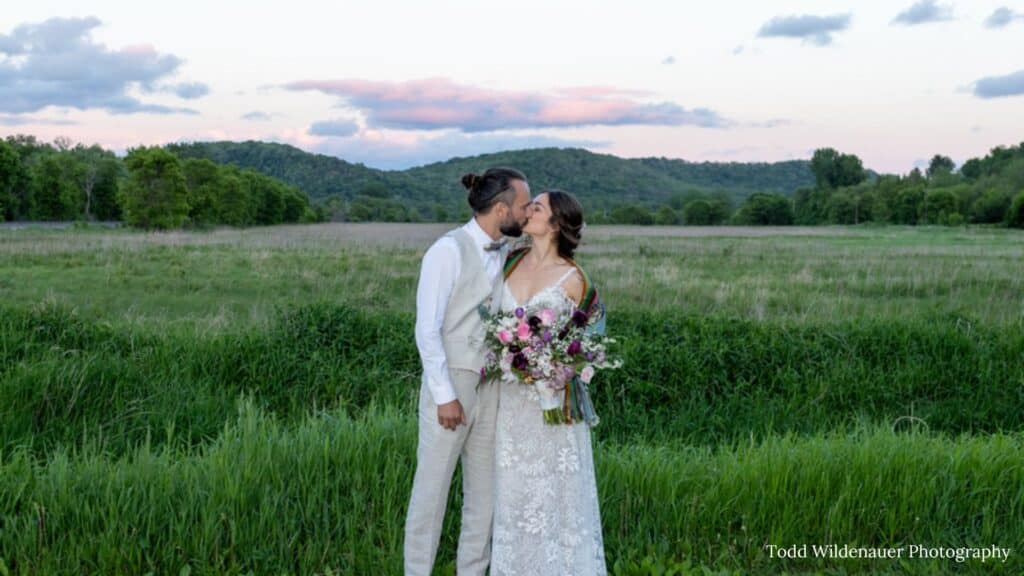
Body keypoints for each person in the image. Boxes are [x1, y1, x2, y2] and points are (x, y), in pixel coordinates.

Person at [404, 167, 532, 576]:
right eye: (523, 206)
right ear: (500, 208)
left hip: (493, 384)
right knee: (432, 491)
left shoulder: (509, 253)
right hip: (453, 385)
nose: (527, 214)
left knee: (484, 494)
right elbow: (426, 329)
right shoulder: (446, 250)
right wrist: (444, 395)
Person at [491, 189, 607, 574]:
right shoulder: (509, 263)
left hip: (553, 406)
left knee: (557, 496)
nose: (528, 210)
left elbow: (592, 339)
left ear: (556, 223)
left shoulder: (574, 279)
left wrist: (559, 365)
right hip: (508, 403)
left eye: (536, 207)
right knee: (513, 494)